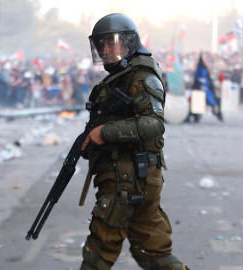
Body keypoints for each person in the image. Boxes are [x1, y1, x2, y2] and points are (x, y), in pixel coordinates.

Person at [79, 13, 189, 270]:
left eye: (111, 43)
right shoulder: (124, 74)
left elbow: (153, 124)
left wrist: (103, 133)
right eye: (101, 45)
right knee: (153, 254)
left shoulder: (140, 74)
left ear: (128, 43)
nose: (105, 50)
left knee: (98, 254)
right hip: (135, 178)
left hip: (126, 179)